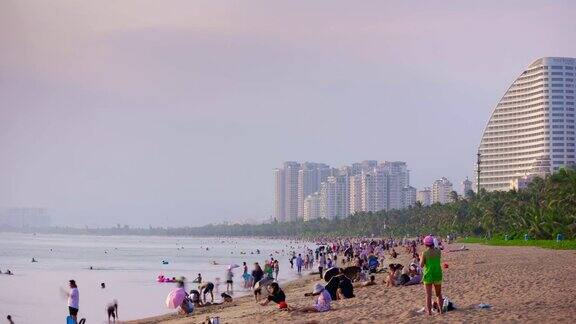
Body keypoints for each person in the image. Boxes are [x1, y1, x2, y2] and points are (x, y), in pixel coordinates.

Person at [421, 235, 443, 315]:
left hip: (428, 274)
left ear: (425, 244)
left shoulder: (425, 253)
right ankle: (441, 311)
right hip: (437, 273)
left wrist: (421, 257)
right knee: (439, 294)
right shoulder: (438, 251)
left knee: (428, 295)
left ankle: (429, 312)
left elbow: (421, 265)